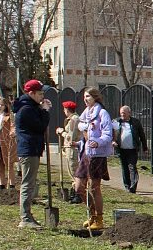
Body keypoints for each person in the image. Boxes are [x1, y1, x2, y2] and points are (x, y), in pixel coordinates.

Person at [13, 80, 53, 229]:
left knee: (29, 183)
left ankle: (27, 216)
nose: (43, 96)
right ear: (31, 94)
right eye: (40, 93)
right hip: (29, 150)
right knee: (28, 184)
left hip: (32, 149)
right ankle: (25, 218)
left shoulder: (30, 107)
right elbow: (40, 126)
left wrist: (41, 109)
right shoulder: (26, 110)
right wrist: (45, 111)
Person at [74, 87, 113, 231]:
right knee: (78, 187)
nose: (85, 99)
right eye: (84, 96)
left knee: (94, 188)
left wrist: (98, 141)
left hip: (98, 155)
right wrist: (85, 127)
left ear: (95, 97)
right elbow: (80, 124)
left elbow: (108, 134)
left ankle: (99, 218)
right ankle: (91, 213)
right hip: (86, 153)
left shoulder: (102, 113)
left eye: (88, 96)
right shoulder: (87, 112)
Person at [112, 105, 148, 194]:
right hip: (121, 149)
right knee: (124, 168)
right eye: (121, 113)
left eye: (124, 113)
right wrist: (112, 141)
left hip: (132, 149)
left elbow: (142, 135)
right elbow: (110, 133)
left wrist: (145, 148)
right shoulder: (116, 122)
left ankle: (133, 186)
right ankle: (127, 186)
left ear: (129, 113)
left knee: (132, 167)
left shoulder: (135, 122)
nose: (122, 115)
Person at [57, 101, 81, 202]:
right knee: (73, 173)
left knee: (74, 173)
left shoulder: (73, 120)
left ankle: (78, 194)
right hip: (70, 149)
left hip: (72, 150)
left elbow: (70, 137)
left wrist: (61, 132)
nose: (63, 111)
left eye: (64, 109)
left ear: (67, 109)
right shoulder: (72, 119)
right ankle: (74, 191)